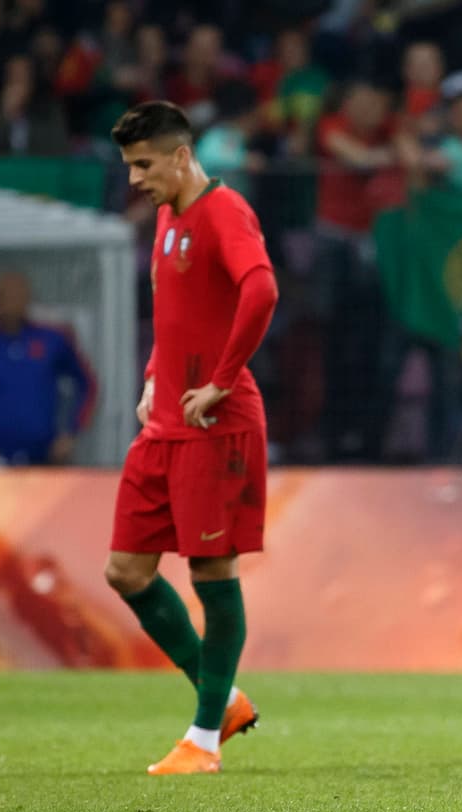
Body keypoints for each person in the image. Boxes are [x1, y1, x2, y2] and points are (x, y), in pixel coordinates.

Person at [104, 101, 278, 775]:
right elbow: (174, 312)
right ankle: (225, 697)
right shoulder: (168, 216)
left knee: (211, 572)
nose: (136, 178)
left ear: (181, 156)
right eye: (129, 166)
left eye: (145, 164)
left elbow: (261, 290)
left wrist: (223, 380)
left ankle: (204, 739)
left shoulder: (224, 211)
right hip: (166, 422)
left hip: (215, 424)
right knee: (125, 569)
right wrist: (155, 371)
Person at [0, 270, 96, 465]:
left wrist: (71, 432)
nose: (11, 301)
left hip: (46, 460)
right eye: (5, 295)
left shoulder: (52, 340)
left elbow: (88, 385)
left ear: (28, 297)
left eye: (17, 295)